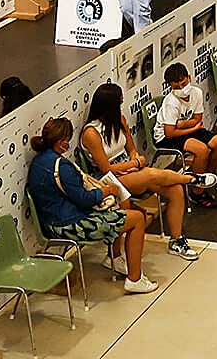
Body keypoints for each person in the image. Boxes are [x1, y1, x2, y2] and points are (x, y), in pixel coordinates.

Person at [78, 83, 214, 262]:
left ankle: (177, 240)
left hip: (128, 169)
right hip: (107, 179)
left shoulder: (120, 120)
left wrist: (135, 158)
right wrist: (133, 163)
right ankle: (191, 178)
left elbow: (132, 148)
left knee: (175, 190)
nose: (121, 104)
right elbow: (106, 169)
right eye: (118, 102)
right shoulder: (91, 132)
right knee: (150, 174)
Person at [26, 117, 155, 294]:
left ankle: (115, 258)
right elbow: (85, 199)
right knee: (137, 218)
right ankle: (135, 278)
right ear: (62, 142)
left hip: (52, 221)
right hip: (70, 225)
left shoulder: (38, 163)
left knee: (122, 214)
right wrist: (107, 190)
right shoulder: (61, 166)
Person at [156, 63, 217, 202]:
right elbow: (169, 133)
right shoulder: (171, 102)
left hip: (184, 130)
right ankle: (197, 192)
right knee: (201, 150)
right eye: (176, 87)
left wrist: (182, 124)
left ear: (189, 78)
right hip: (165, 137)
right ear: (170, 87)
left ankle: (206, 176)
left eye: (184, 83)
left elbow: (198, 118)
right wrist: (193, 128)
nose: (182, 89)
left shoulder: (197, 93)